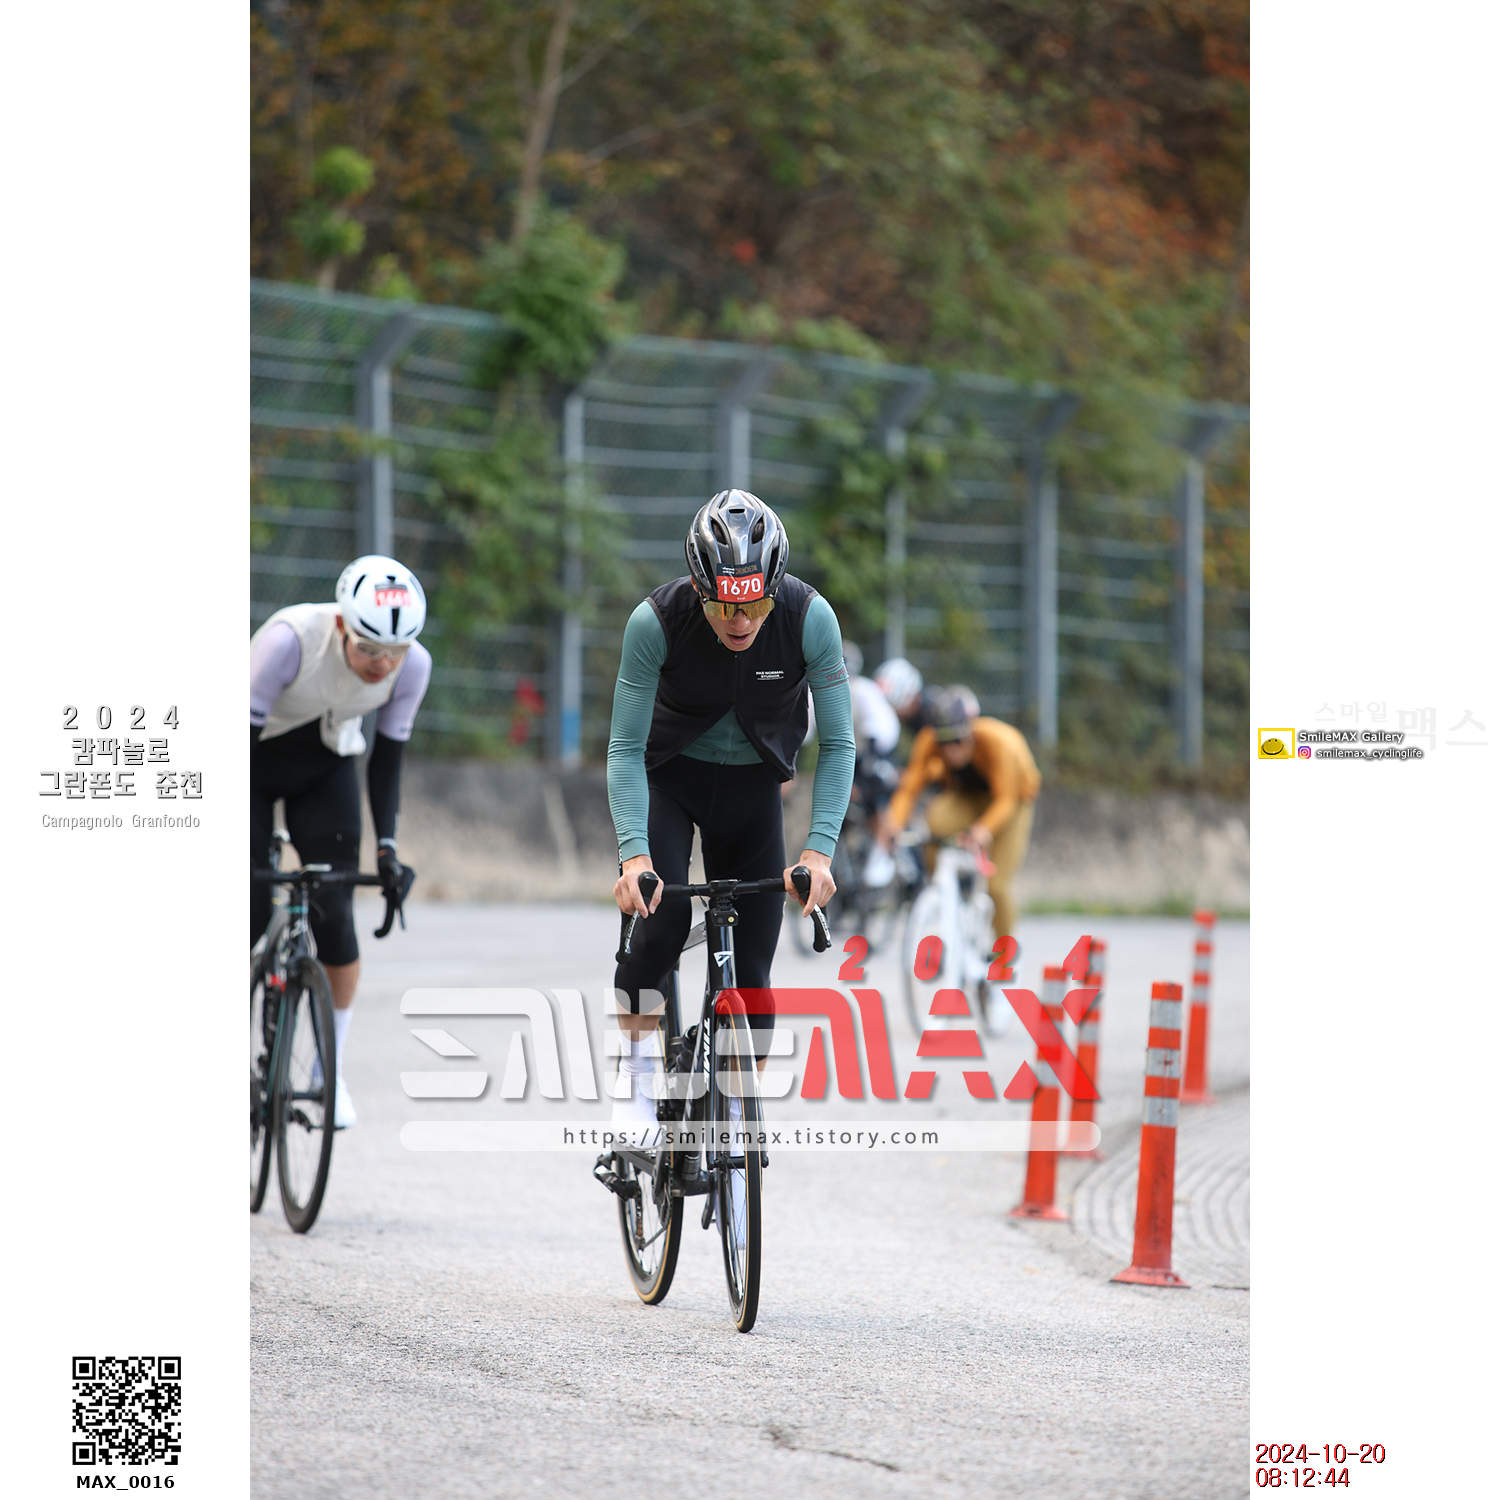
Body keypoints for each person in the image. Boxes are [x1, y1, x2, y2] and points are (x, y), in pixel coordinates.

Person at [607, 490, 855, 1142]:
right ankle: (634, 1076)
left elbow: (839, 745)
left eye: (755, 605)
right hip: (669, 780)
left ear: (775, 588)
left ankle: (736, 1117)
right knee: (660, 926)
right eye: (722, 606)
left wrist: (818, 852)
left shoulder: (809, 618)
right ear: (698, 588)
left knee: (755, 976)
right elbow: (625, 748)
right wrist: (634, 857)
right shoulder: (655, 622)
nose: (740, 621)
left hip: (753, 791)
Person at [250, 556, 432, 1129]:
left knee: (334, 911)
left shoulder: (413, 666)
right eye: (369, 648)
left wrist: (387, 850)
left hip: (325, 768)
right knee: (249, 910)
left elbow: (387, 760)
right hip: (250, 762)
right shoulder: (291, 640)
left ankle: (329, 1069)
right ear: (340, 625)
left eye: (395, 652)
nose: (384, 664)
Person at [878, 686, 1040, 948]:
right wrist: (894, 824)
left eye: (958, 741)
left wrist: (983, 829)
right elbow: (910, 787)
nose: (951, 751)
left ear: (971, 731)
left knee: (997, 886)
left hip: (1012, 802)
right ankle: (942, 889)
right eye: (944, 743)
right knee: (935, 821)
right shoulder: (929, 740)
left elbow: (1006, 800)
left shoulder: (1000, 743)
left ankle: (1004, 954)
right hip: (968, 796)